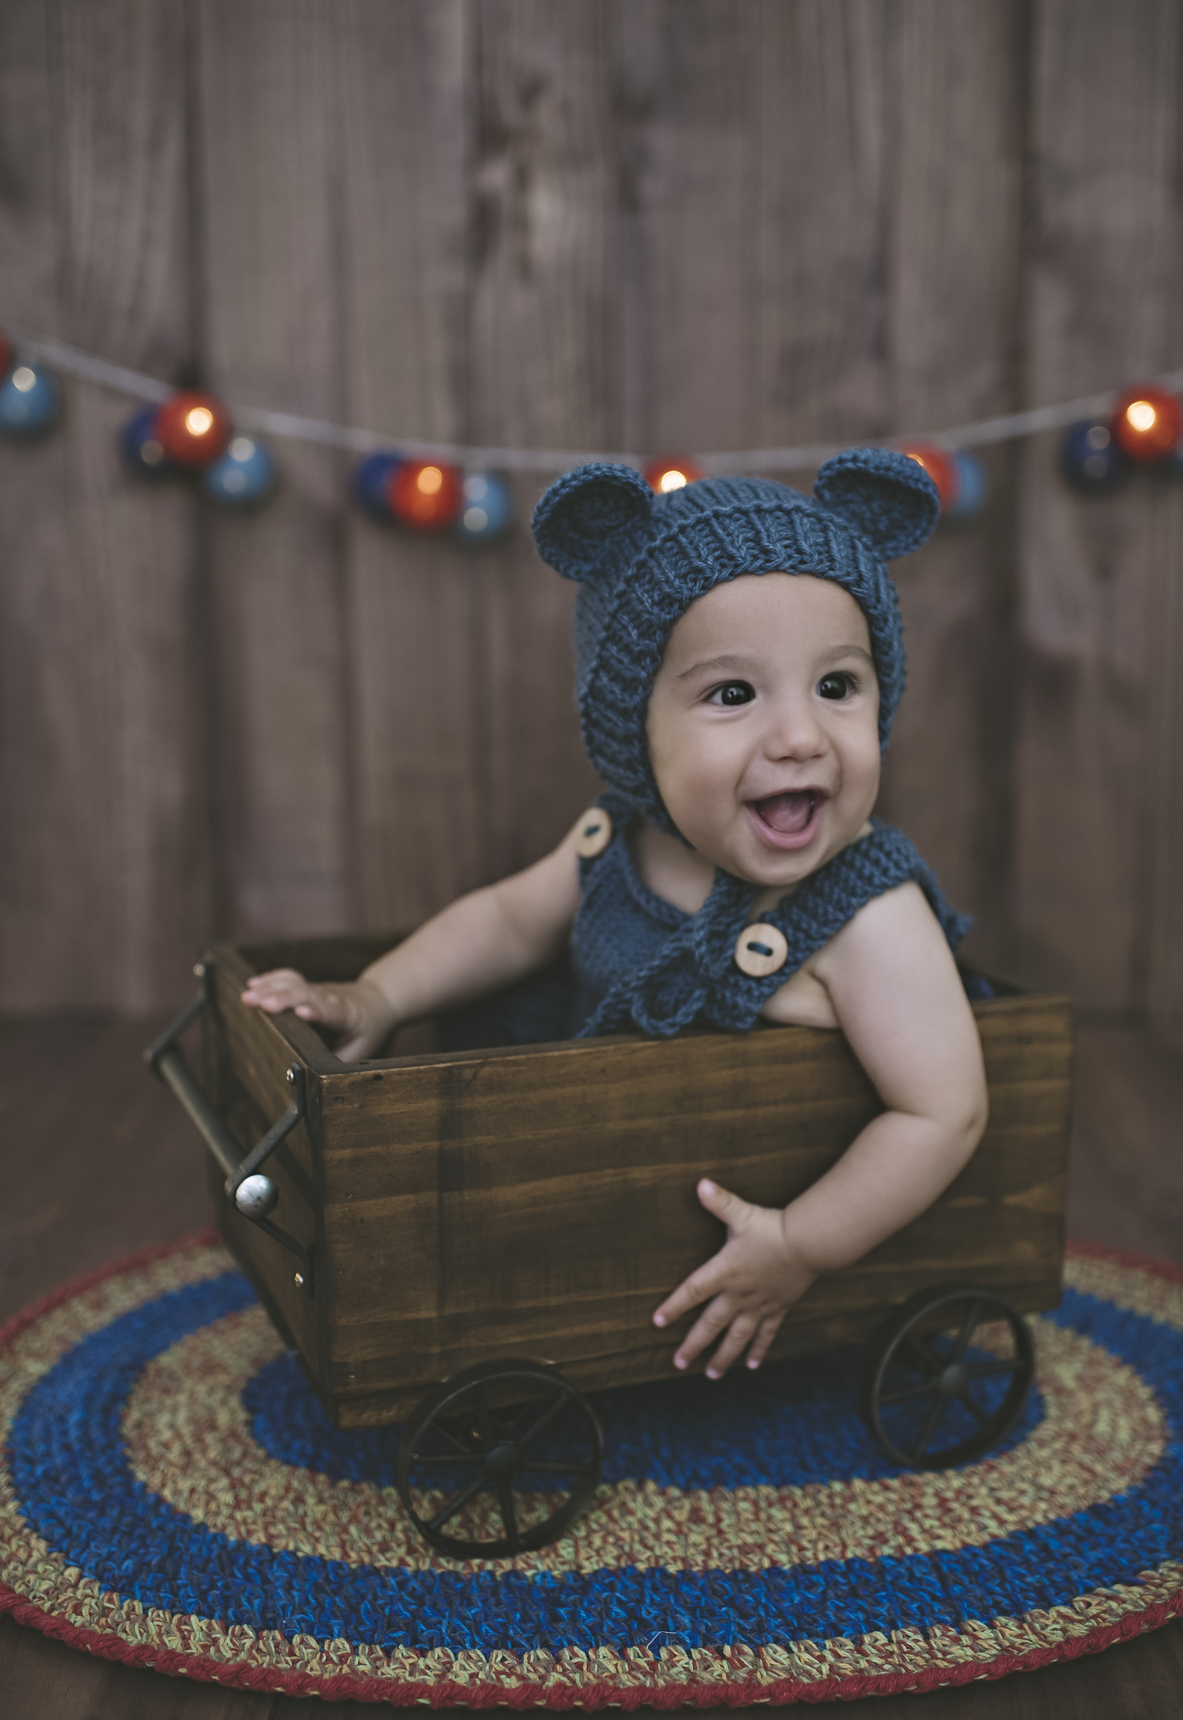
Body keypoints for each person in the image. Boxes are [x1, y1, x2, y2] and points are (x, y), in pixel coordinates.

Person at [242, 450, 988, 1383]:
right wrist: (378, 995)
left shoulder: (869, 914)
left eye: (837, 686)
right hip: (588, 1170)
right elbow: (510, 922)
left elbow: (941, 1111)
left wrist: (801, 1242)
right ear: (636, 729)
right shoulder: (620, 839)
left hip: (710, 1196)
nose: (800, 736)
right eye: (732, 693)